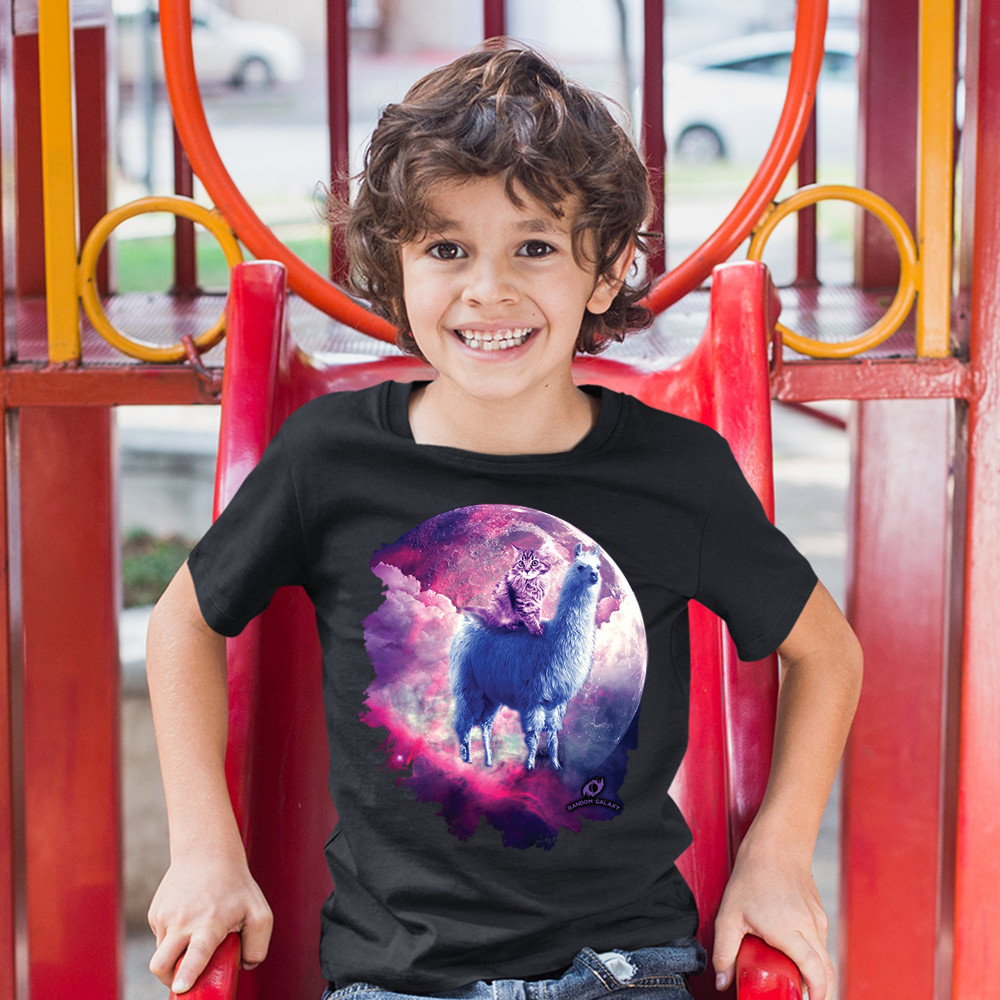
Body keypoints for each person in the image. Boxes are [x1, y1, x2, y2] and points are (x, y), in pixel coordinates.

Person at [146, 42, 862, 1000]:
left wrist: (776, 854)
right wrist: (204, 847)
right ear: (395, 268)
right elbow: (183, 622)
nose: (489, 289)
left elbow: (828, 652)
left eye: (535, 247)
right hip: (399, 977)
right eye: (447, 249)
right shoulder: (328, 461)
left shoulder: (677, 475)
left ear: (606, 269)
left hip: (621, 968)